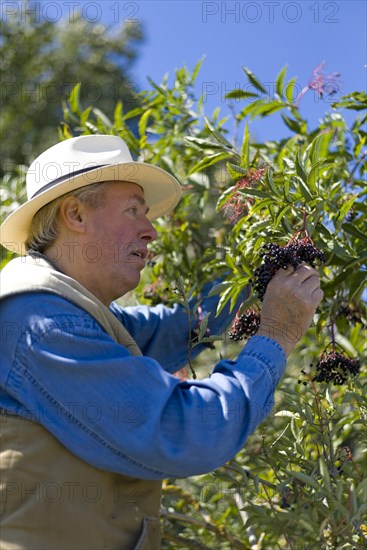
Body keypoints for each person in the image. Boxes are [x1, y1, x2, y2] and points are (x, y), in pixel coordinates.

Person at [0, 135, 323, 550]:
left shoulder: (72, 313)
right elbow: (190, 430)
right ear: (75, 213)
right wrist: (278, 334)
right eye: (133, 210)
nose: (150, 231)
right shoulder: (41, 321)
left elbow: (181, 327)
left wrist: (254, 274)